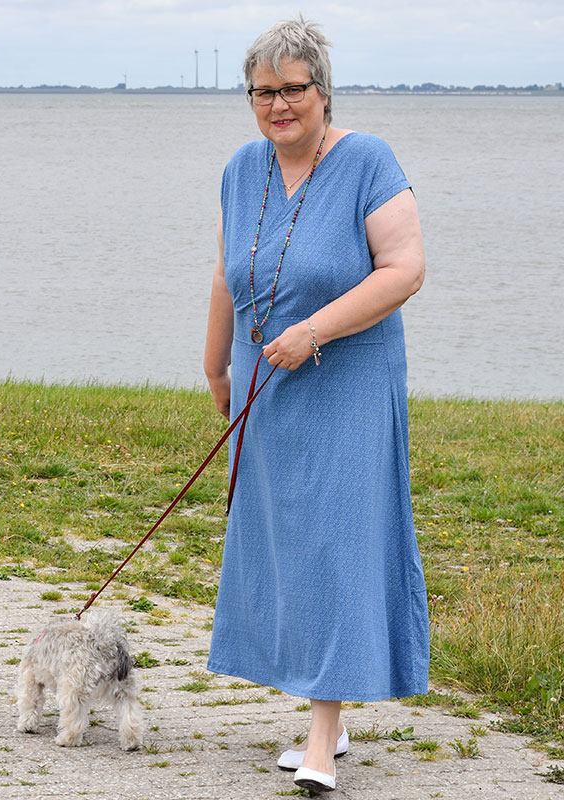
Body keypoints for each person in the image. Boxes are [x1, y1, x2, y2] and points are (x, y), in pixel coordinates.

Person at [203, 16, 429, 794]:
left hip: (348, 378)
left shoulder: (367, 160)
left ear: (323, 91)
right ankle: (313, 709)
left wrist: (311, 331)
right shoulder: (241, 168)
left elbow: (403, 270)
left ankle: (323, 738)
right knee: (287, 545)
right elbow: (228, 271)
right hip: (263, 377)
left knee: (336, 543)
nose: (278, 105)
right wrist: (214, 364)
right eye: (263, 92)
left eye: (293, 89)